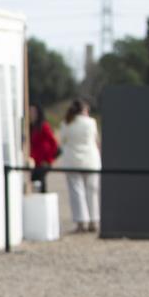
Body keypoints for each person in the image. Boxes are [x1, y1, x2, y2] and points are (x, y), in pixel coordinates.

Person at [58, 98, 101, 233]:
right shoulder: (91, 122)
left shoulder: (66, 123)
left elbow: (62, 140)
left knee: (77, 192)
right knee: (92, 191)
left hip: (72, 160)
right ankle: (94, 220)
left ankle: (81, 221)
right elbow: (96, 140)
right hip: (91, 160)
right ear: (84, 110)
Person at [28, 104, 59, 194]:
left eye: (33, 112)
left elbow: (54, 143)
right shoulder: (31, 127)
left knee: (40, 182)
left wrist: (49, 159)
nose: (31, 114)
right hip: (34, 160)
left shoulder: (44, 126)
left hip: (43, 160)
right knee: (35, 182)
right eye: (30, 111)